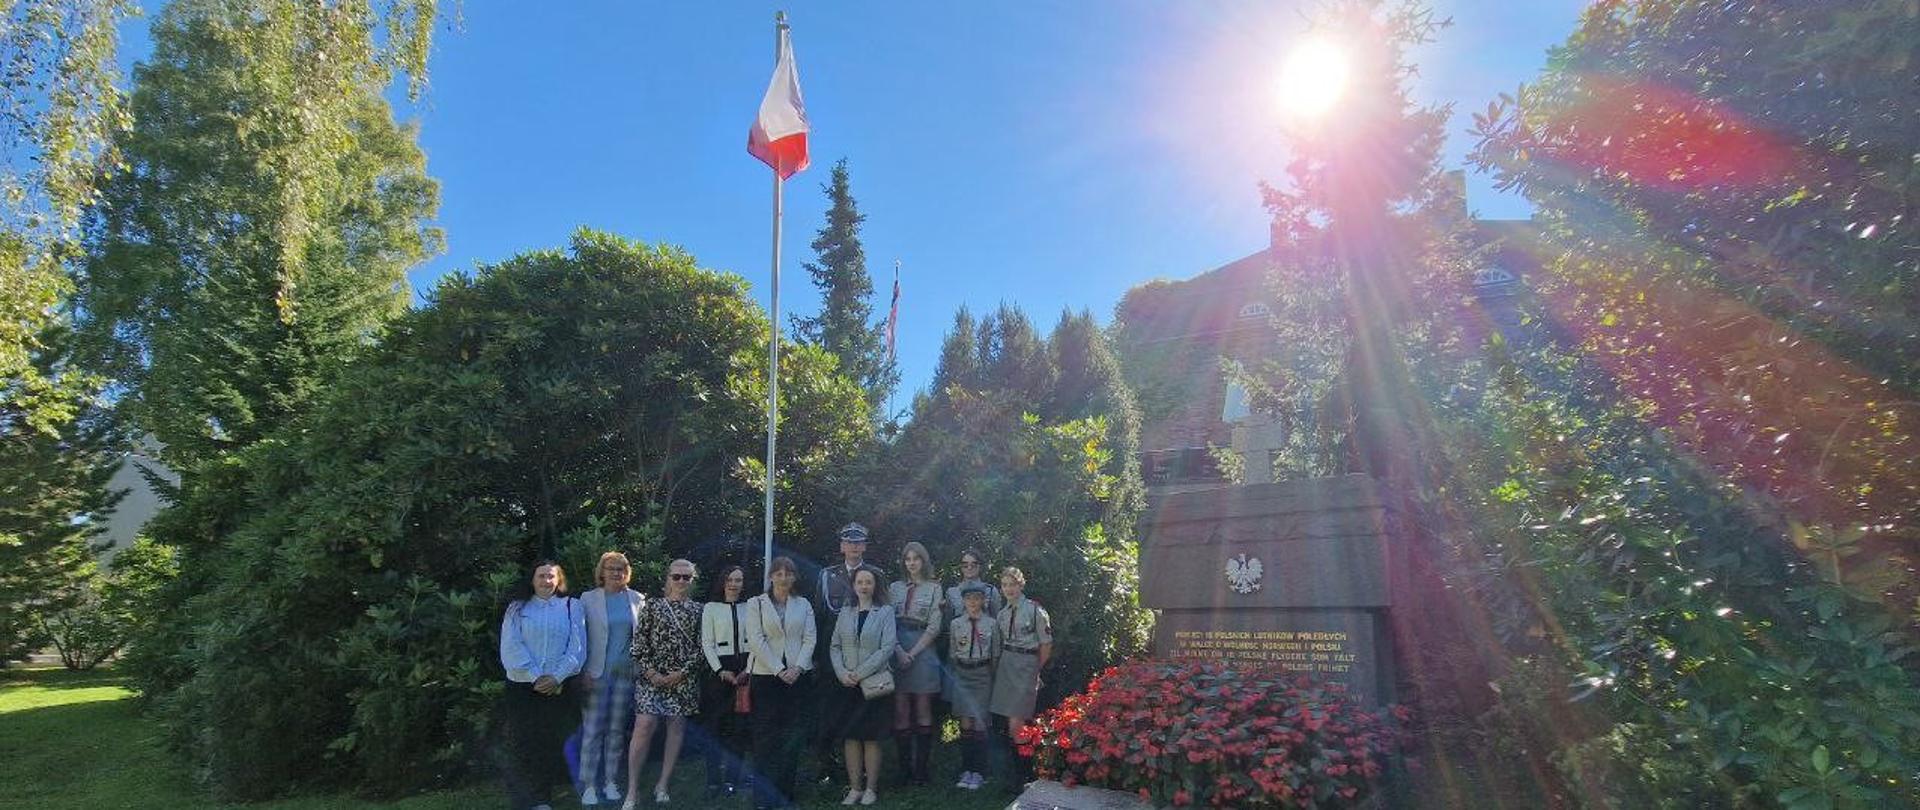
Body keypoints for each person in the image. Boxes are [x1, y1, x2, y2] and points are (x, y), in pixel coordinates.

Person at [497, 560, 586, 810]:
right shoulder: (517, 608)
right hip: (524, 687)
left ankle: (547, 794)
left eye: (551, 576)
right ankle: (533, 799)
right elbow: (511, 646)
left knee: (554, 741)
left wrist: (556, 677)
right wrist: (536, 676)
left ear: (559, 580)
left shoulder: (572, 606)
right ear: (532, 579)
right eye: (541, 576)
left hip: (559, 687)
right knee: (525, 742)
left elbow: (577, 648)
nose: (546, 581)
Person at [622, 560, 703, 808]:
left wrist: (682, 672)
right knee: (644, 726)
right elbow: (638, 643)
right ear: (668, 578)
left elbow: (702, 647)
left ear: (692, 580)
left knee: (675, 727)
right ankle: (632, 790)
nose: (681, 581)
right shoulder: (652, 606)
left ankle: (663, 784)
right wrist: (651, 672)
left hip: (683, 679)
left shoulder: (699, 610)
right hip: (651, 678)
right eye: (676, 576)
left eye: (686, 577)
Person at [809, 523, 887, 783]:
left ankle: (861, 767)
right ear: (842, 546)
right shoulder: (826, 575)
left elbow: (884, 613)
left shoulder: (876, 574)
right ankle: (827, 764)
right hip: (832, 657)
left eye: (858, 542)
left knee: (862, 711)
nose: (854, 546)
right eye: (849, 542)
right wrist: (817, 658)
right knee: (829, 711)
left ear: (864, 546)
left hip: (866, 656)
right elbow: (819, 617)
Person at [744, 556, 816, 810]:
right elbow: (756, 639)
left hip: (797, 678)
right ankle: (763, 796)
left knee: (791, 737)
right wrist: (779, 669)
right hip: (766, 677)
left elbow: (810, 638)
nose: (783, 578)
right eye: (779, 573)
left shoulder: (803, 604)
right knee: (765, 738)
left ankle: (786, 793)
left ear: (794, 577)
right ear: (771, 576)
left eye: (788, 573)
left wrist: (797, 668)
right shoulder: (756, 604)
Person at [579, 552, 644, 806]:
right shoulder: (587, 599)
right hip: (595, 674)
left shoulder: (637, 599)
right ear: (602, 572)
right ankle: (589, 785)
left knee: (616, 731)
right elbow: (580, 638)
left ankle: (610, 781)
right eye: (611, 568)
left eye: (621, 568)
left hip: (625, 676)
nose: (617, 572)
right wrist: (583, 671)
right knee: (593, 731)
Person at [829, 568, 896, 806]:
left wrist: (860, 673)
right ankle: (855, 788)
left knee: (871, 737)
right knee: (851, 736)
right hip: (847, 684)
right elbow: (835, 646)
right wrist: (842, 673)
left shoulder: (885, 612)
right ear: (854, 585)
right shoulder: (845, 612)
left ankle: (870, 789)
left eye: (869, 582)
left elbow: (887, 648)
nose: (864, 586)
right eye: (860, 582)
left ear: (875, 586)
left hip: (873, 684)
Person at [887, 541, 944, 786]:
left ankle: (921, 770)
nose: (912, 563)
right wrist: (899, 651)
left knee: (922, 708)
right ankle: (904, 770)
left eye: (916, 558)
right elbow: (886, 622)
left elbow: (935, 625)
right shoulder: (894, 588)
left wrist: (913, 652)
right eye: (908, 559)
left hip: (923, 650)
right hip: (897, 647)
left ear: (924, 561)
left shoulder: (934, 588)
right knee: (901, 709)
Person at [990, 566, 1051, 792]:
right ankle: (1018, 774)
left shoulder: (1035, 610)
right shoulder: (1002, 614)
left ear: (1021, 585)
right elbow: (999, 644)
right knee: (1011, 722)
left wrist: (1035, 669)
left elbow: (1046, 645)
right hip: (1007, 665)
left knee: (1016, 723)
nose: (1009, 589)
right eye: (1005, 585)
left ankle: (1026, 776)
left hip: (1027, 664)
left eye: (1013, 584)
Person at [698, 565, 753, 798]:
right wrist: (720, 670)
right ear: (723, 582)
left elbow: (757, 639)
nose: (733, 584)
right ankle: (713, 780)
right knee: (715, 728)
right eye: (729, 579)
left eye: (738, 580)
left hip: (746, 670)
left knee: (739, 728)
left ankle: (733, 778)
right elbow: (707, 643)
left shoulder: (750, 606)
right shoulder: (711, 608)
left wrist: (748, 669)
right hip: (719, 671)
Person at [946, 583, 998, 790]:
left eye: (977, 598)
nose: (973, 602)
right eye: (969, 599)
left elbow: (995, 653)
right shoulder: (956, 624)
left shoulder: (992, 624)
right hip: (962, 673)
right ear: (963, 601)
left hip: (982, 673)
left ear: (984, 600)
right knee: (966, 723)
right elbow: (952, 651)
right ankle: (966, 769)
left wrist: (992, 676)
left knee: (980, 722)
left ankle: (980, 771)